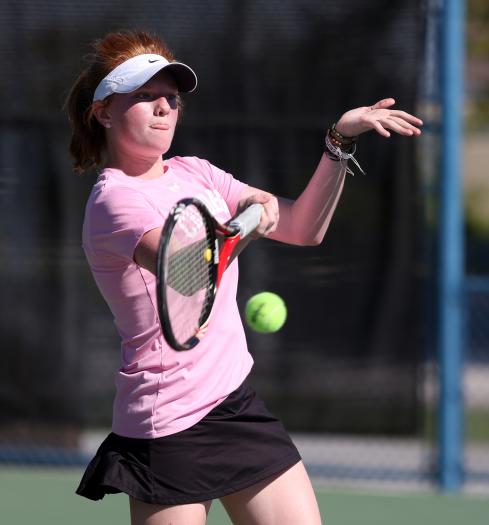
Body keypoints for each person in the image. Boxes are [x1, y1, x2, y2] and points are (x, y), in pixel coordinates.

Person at [66, 29, 422, 525]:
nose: (165, 108)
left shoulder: (195, 173)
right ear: (104, 111)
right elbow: (187, 272)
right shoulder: (114, 201)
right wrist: (244, 227)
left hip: (232, 401)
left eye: (171, 98)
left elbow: (302, 227)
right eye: (146, 98)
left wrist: (339, 142)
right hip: (166, 422)